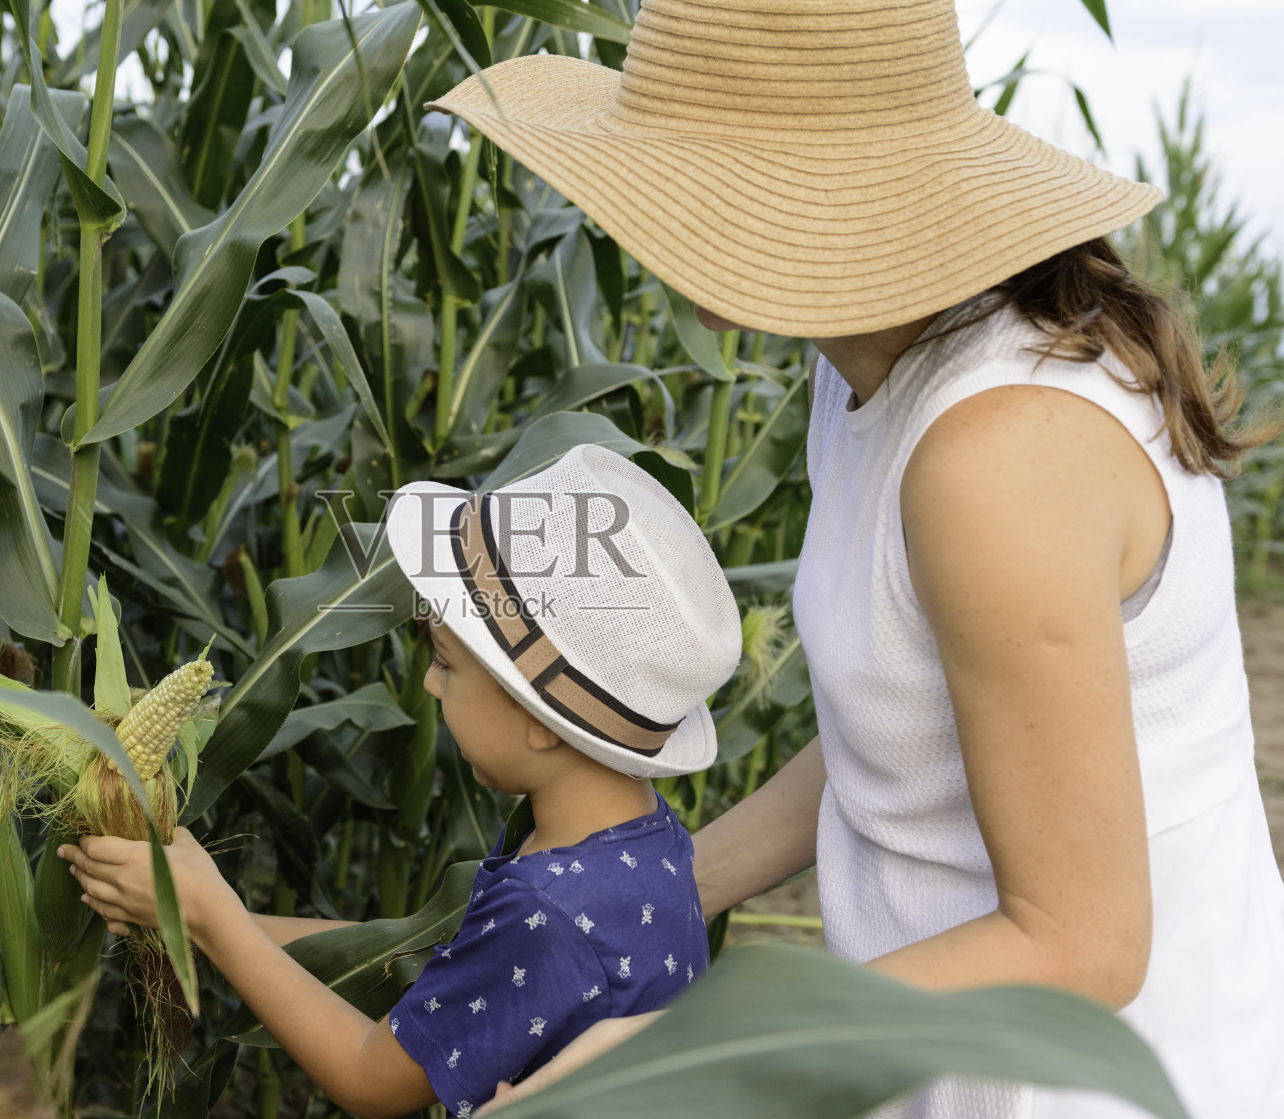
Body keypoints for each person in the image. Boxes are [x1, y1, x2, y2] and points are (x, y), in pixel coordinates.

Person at [417, 1, 1284, 1117]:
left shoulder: (995, 458)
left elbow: (1083, 942)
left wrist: (682, 1056)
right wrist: (645, 896)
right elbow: (914, 740)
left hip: (1082, 1079)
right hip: (932, 1041)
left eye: (684, 181)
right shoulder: (869, 365)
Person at [57, 444, 744, 1117]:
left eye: (445, 660)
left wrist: (208, 913)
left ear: (540, 719)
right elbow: (454, 966)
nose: (428, 682)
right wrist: (209, 920)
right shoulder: (646, 844)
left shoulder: (546, 913)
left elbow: (368, 1075)